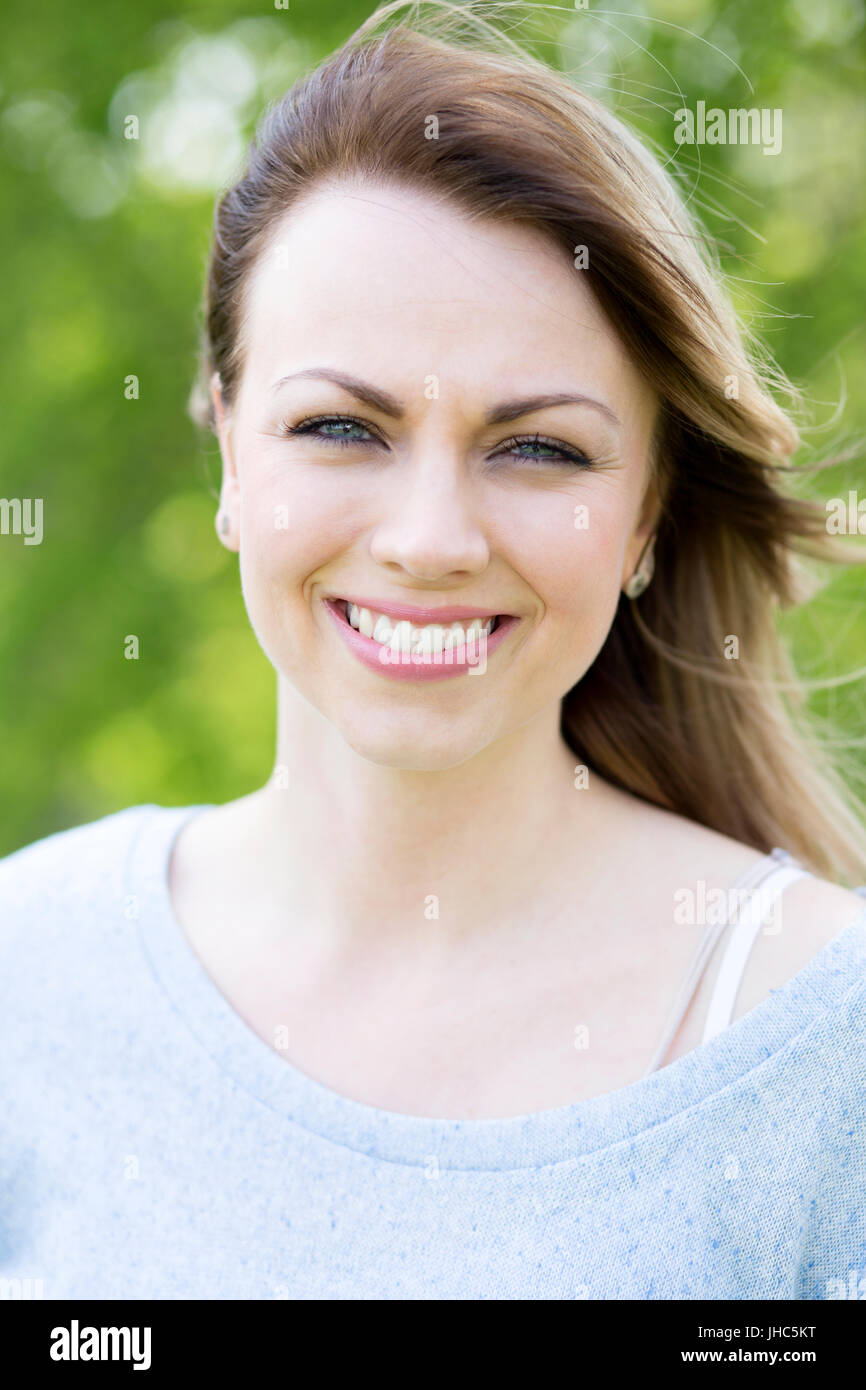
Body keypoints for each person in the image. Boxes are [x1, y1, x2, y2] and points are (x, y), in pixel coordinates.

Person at [2, 3, 865, 1301]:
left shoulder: (821, 1035)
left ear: (644, 512)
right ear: (230, 444)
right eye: (343, 426)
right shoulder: (31, 969)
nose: (429, 539)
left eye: (537, 447)